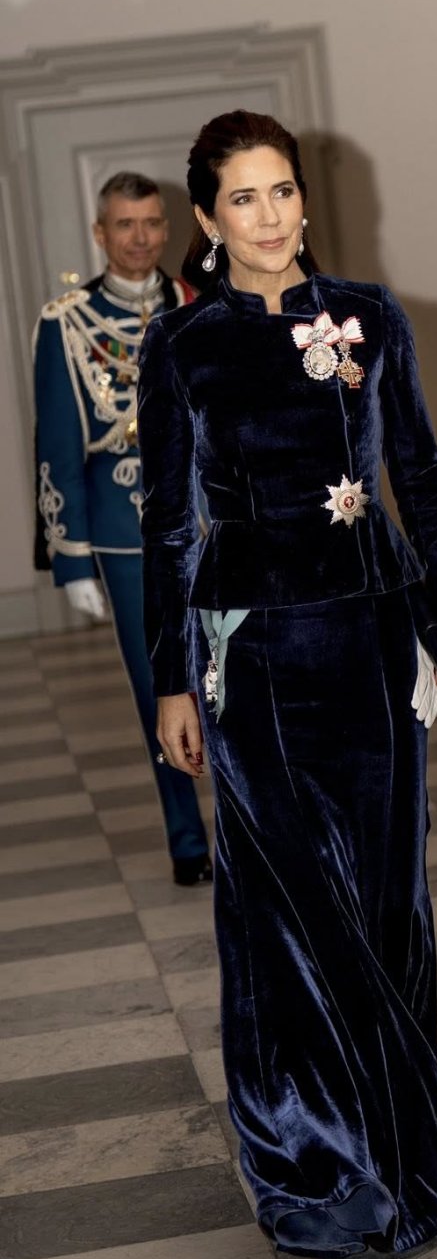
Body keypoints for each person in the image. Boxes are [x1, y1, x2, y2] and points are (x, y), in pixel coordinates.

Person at [138, 110, 437, 1258]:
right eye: (243, 198)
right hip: (256, 660)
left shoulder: (372, 315)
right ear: (207, 219)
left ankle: (404, 1151)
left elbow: (421, 469)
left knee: (389, 907)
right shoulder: (183, 346)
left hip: (378, 640)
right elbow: (167, 526)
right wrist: (171, 680)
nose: (271, 214)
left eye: (282, 189)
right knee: (292, 917)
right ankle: (320, 1169)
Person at [32, 171, 211, 885]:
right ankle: (186, 835)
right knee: (157, 687)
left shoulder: (201, 304)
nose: (139, 237)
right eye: (124, 224)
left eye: (151, 223)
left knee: (231, 681)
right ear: (101, 234)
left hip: (208, 522)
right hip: (124, 530)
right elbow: (57, 444)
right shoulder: (66, 321)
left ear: (167, 229)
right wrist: (71, 559)